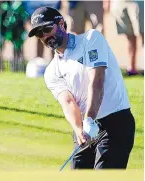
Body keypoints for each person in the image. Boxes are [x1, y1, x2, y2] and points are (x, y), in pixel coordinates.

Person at [28, 7, 135, 169]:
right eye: (39, 33)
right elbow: (68, 102)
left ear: (62, 23)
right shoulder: (51, 72)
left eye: (48, 28)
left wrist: (89, 118)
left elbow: (97, 80)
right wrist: (79, 129)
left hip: (115, 123)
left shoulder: (91, 39)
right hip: (84, 127)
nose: (45, 36)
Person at [107, 0, 144, 76]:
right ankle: (132, 68)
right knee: (130, 37)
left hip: (138, 2)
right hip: (119, 3)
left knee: (142, 33)